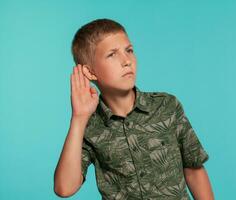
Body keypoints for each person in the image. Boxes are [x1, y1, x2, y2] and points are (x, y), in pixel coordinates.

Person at [53, 18, 214, 200]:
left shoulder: (166, 106)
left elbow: (194, 168)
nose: (126, 61)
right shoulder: (89, 125)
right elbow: (64, 188)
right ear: (90, 72)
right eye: (112, 54)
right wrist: (79, 118)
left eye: (129, 50)